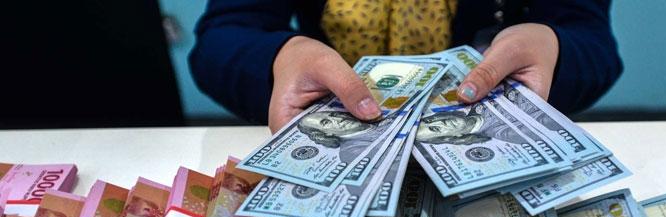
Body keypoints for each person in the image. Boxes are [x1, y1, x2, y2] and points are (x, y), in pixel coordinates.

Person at [190, 1, 622, 131]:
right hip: (341, 129)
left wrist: (554, 48)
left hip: (481, 141)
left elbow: (592, 41)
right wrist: (280, 58)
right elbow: (222, 37)